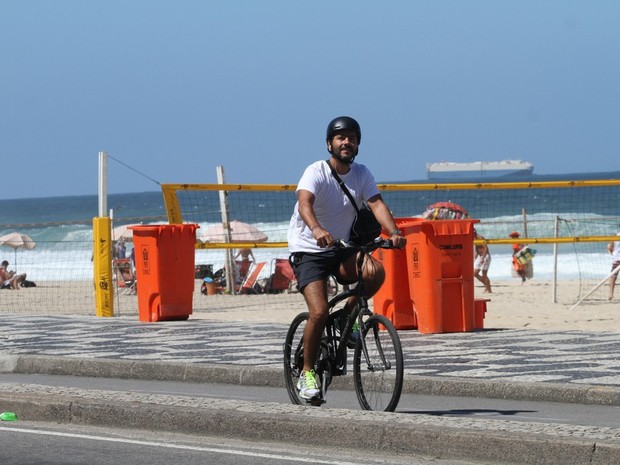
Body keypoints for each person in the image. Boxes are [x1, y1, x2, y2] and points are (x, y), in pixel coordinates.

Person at [287, 116, 406, 401]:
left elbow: (376, 203)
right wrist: (316, 229)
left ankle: (346, 320)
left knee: (374, 272)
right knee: (318, 312)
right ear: (329, 143)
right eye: (340, 138)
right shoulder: (316, 171)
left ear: (357, 144)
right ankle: (307, 373)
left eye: (351, 138)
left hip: (339, 248)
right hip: (309, 250)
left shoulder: (362, 173)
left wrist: (394, 232)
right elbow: (305, 202)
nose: (346, 142)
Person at [607, 231, 620, 301]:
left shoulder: (615, 236)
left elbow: (610, 248)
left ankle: (611, 294)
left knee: (613, 277)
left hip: (616, 258)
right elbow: (610, 247)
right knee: (613, 277)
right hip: (617, 258)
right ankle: (610, 294)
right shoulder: (615, 236)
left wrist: (612, 252)